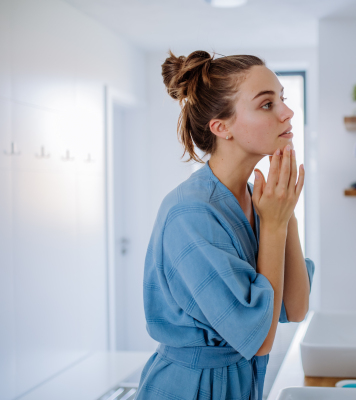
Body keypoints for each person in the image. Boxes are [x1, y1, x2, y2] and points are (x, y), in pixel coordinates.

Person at [135, 50, 315, 400]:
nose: (287, 112)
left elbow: (296, 307)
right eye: (267, 104)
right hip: (190, 389)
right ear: (221, 127)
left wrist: (285, 212)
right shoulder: (190, 214)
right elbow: (259, 340)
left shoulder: (256, 199)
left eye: (283, 99)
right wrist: (275, 226)